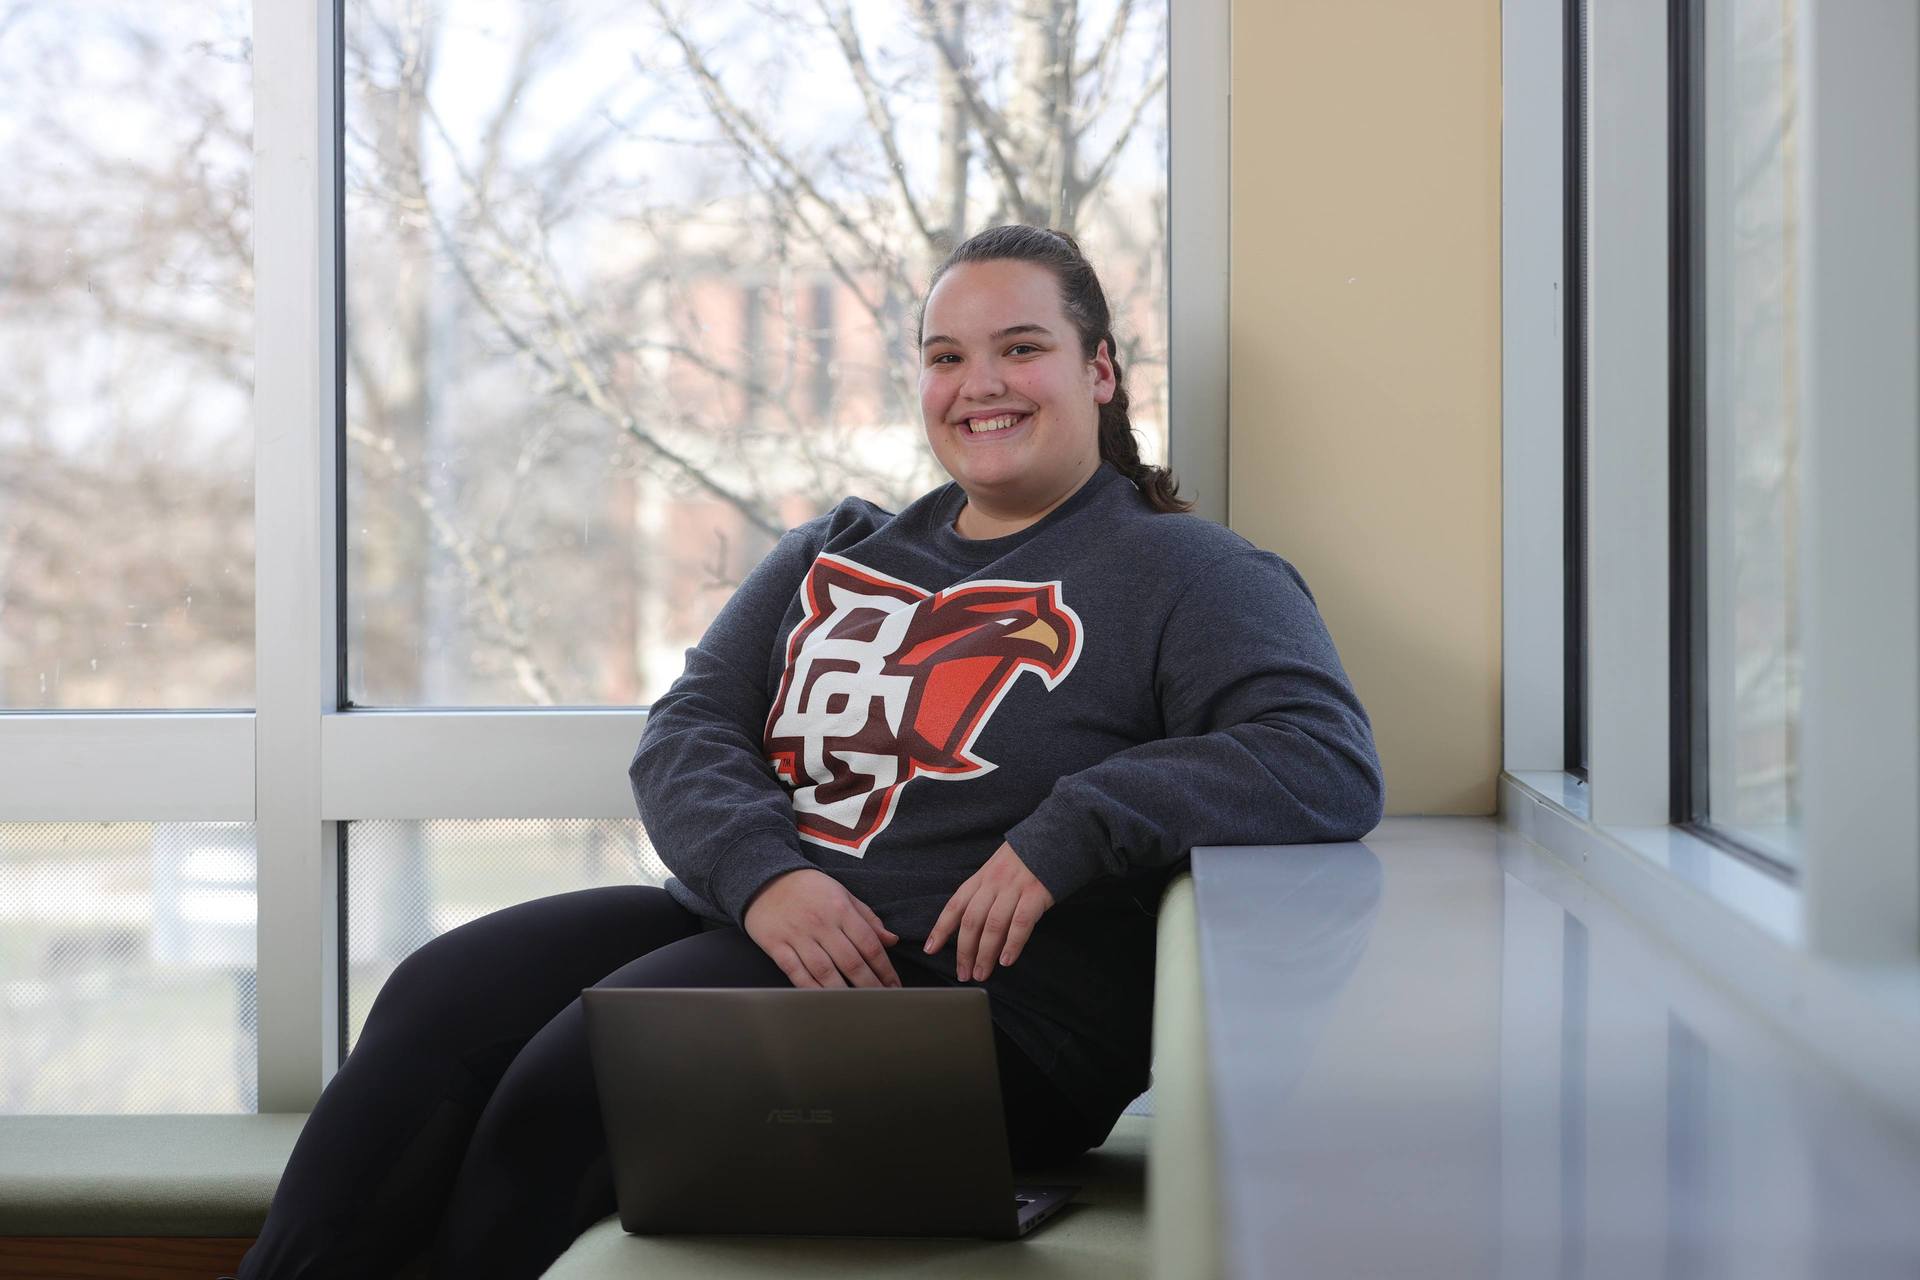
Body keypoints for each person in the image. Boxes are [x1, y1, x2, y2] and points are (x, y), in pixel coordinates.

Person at [232, 224, 1385, 1280]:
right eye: (944, 356)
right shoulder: (838, 548)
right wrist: (768, 873)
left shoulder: (1187, 573)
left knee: (582, 1075)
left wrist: (1069, 829)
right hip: (754, 928)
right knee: (440, 995)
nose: (978, 383)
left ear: (1099, 370)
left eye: (1020, 347)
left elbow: (1322, 755)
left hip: (969, 1016)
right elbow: (685, 732)